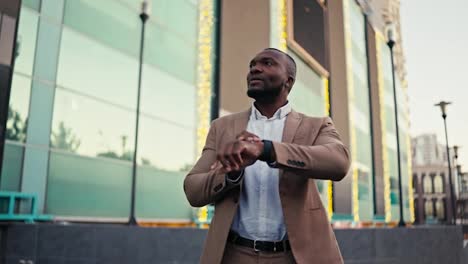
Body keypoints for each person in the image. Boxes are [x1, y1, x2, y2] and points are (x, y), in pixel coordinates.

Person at [184, 48, 350, 264]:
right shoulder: (222, 127)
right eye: (252, 65)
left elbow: (339, 162)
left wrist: (267, 150)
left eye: (268, 63)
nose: (255, 69)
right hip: (234, 255)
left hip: (294, 257)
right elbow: (193, 190)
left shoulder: (316, 125)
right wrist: (230, 175)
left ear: (288, 81)